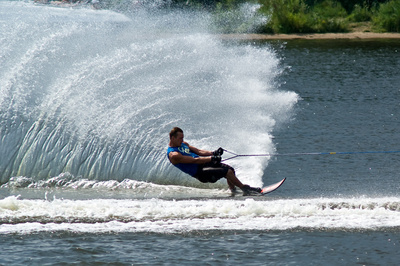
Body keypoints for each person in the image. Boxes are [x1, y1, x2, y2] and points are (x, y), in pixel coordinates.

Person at [167, 127, 262, 195]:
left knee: (231, 170)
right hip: (200, 172)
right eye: (180, 138)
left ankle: (233, 191)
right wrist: (212, 158)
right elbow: (194, 160)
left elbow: (199, 151)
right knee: (227, 172)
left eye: (183, 138)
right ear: (172, 138)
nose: (182, 140)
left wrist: (213, 153)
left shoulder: (183, 144)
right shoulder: (174, 155)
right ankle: (245, 189)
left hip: (205, 163)